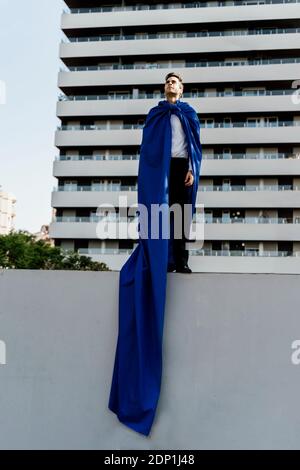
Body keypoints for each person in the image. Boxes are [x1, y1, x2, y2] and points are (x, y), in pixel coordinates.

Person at [164, 72, 195, 273]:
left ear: (181, 89)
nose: (170, 84)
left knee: (181, 215)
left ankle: (181, 260)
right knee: (161, 215)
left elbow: (194, 144)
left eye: (174, 82)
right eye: (167, 82)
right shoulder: (157, 113)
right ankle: (166, 260)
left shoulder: (188, 113)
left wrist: (191, 169)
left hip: (182, 167)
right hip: (163, 169)